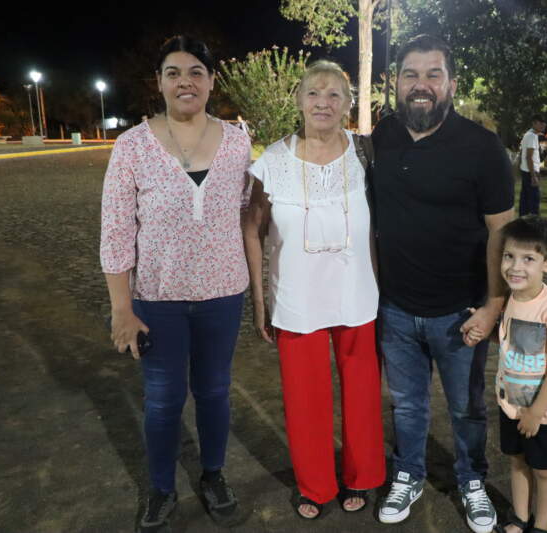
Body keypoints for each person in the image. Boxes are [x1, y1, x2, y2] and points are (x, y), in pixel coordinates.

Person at [100, 36, 252, 532]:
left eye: (195, 72)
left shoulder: (236, 142)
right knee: (163, 399)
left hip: (223, 293)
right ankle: (161, 489)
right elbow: (117, 230)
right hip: (157, 299)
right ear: (159, 83)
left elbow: (247, 212)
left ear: (210, 81)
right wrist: (122, 308)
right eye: (172, 72)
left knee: (213, 391)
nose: (184, 81)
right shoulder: (132, 146)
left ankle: (213, 475)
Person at [371, 34, 515, 533]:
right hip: (394, 310)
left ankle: (472, 479)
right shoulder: (382, 137)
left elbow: (503, 230)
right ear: (396, 83)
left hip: (461, 312)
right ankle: (408, 474)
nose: (421, 85)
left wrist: (495, 304)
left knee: (466, 408)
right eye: (411, 75)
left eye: (433, 74)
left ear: (451, 83)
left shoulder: (482, 147)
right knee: (406, 405)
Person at [242, 60, 384, 520]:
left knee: (362, 393)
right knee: (305, 398)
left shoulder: (366, 155)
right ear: (299, 100)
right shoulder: (273, 161)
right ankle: (315, 485)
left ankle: (362, 477)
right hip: (296, 297)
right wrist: (259, 298)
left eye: (334, 95)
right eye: (313, 94)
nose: (323, 103)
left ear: (348, 103)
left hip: (358, 293)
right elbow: (252, 226)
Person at [491, 216, 547, 533]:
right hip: (511, 406)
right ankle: (519, 518)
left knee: (545, 471)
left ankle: (542, 526)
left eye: (529, 259)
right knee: (517, 462)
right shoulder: (513, 299)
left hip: (544, 414)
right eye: (509, 256)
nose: (516, 267)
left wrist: (536, 412)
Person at [519, 115, 547, 216]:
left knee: (525, 199)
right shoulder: (532, 136)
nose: (543, 127)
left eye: (544, 125)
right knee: (534, 201)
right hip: (530, 172)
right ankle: (534, 224)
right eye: (540, 124)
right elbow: (529, 157)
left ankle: (523, 222)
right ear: (534, 123)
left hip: (526, 170)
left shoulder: (529, 134)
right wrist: (533, 175)